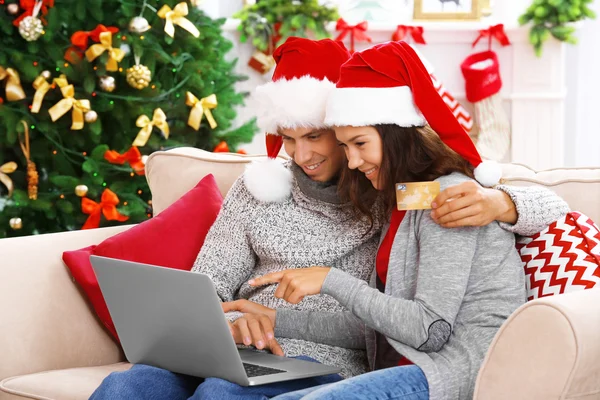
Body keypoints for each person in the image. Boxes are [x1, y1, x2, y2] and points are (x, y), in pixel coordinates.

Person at [89, 38, 569, 400]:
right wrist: (227, 319)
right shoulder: (260, 188)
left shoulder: (392, 194)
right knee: (127, 387)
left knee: (220, 393)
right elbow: (206, 284)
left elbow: (545, 203)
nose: (301, 155)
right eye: (288, 138)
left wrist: (505, 203)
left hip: (326, 361)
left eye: (317, 137)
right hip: (235, 347)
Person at [248, 40, 529, 400]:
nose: (351, 162)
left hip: (456, 372)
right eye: (345, 146)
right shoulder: (405, 198)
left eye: (361, 144)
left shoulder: (450, 199)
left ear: (398, 135)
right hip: (411, 366)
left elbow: (429, 329)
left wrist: (331, 280)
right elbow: (374, 330)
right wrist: (274, 317)